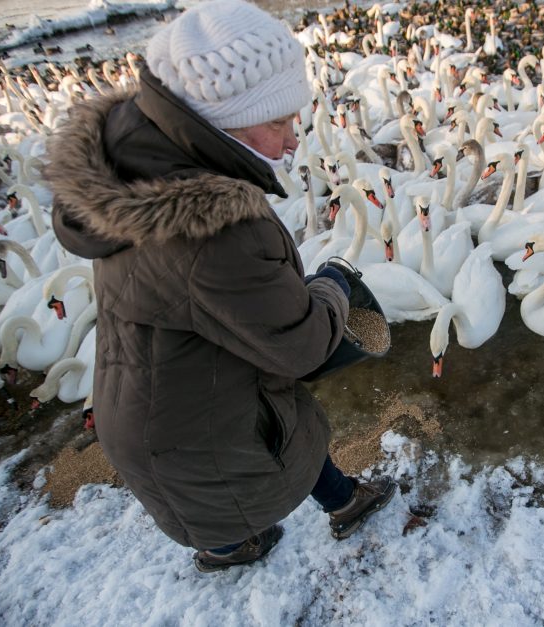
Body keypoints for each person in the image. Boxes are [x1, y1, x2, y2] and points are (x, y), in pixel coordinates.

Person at [45, 0, 396, 573]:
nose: (291, 143)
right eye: (277, 121)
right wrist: (332, 286)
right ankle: (274, 530)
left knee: (249, 466)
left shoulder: (133, 164)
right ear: (220, 118)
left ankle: (236, 541)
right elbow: (303, 347)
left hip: (137, 395)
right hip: (192, 417)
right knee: (270, 453)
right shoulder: (217, 228)